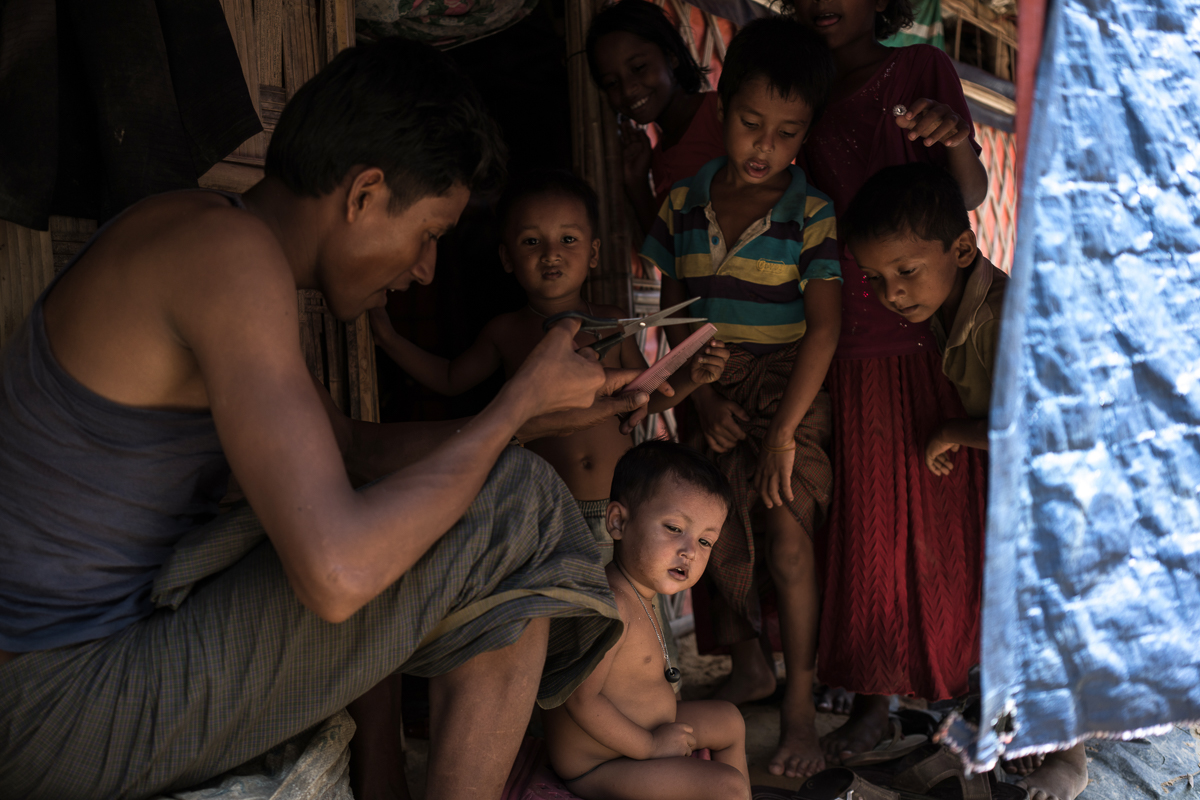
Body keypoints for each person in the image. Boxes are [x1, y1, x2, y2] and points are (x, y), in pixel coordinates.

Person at [0, 38, 652, 800]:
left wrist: (528, 421)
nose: (424, 270)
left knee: (472, 483)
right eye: (430, 234)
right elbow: (337, 576)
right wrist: (510, 406)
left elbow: (351, 449)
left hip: (70, 680)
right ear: (365, 195)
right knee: (519, 502)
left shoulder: (208, 235)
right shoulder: (228, 258)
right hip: (57, 707)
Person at [784, 0, 993, 766]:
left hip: (935, 336)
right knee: (871, 524)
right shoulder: (795, 97)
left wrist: (957, 136)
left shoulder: (918, 73)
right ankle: (877, 700)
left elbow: (966, 196)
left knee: (944, 518)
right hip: (847, 337)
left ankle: (951, 684)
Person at [841, 163, 1089, 800]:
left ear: (960, 248)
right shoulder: (951, 308)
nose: (892, 293)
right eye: (876, 279)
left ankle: (1071, 757)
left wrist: (953, 433)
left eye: (905, 271)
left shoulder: (1005, 316)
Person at [640, 17, 841, 780]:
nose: (766, 147)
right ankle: (750, 664)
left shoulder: (811, 214)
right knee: (714, 533)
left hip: (792, 386)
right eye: (753, 124)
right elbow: (675, 309)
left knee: (789, 539)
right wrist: (703, 400)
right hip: (712, 383)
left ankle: (798, 710)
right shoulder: (681, 205)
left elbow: (823, 330)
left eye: (788, 134)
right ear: (722, 109)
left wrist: (785, 431)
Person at [369, 169, 730, 557]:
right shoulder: (505, 332)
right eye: (531, 241)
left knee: (617, 610)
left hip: (620, 510)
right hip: (545, 512)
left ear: (593, 253)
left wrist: (692, 379)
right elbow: (448, 377)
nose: (551, 253)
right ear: (507, 257)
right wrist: (388, 339)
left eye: (568, 239)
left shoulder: (614, 321)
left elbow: (646, 397)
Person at [543, 441, 750, 800]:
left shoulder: (641, 592)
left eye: (705, 541)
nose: (689, 550)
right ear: (618, 522)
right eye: (674, 528)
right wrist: (650, 747)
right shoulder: (610, 604)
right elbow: (579, 700)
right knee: (725, 786)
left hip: (646, 733)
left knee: (729, 720)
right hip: (601, 763)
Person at [586, 0, 727, 233]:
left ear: (671, 55)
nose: (628, 89)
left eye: (639, 67)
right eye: (611, 83)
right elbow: (671, 255)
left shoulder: (723, 115)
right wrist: (637, 184)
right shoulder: (661, 156)